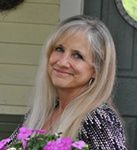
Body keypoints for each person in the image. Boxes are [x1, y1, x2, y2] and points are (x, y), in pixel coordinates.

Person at [12, 15, 127, 149]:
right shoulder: (39, 113)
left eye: (77, 55)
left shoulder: (98, 119)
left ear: (97, 70)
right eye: (59, 49)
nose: (62, 62)